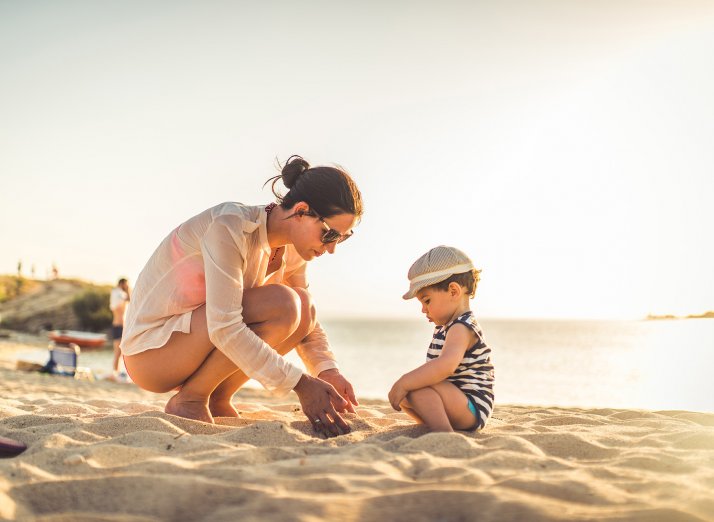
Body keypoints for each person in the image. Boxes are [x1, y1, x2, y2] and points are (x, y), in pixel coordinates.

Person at [121, 155, 362, 437]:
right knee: (284, 304)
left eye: (342, 238)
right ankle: (190, 399)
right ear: (301, 211)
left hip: (193, 343)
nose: (331, 248)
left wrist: (326, 370)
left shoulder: (295, 248)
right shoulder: (230, 225)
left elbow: (307, 321)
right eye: (329, 235)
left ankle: (216, 397)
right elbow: (225, 326)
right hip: (151, 354)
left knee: (303, 306)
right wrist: (301, 384)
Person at [388, 246, 495, 432]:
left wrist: (405, 381)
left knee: (418, 386)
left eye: (427, 300)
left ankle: (443, 432)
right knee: (409, 394)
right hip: (456, 403)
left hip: (472, 407)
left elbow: (446, 366)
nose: (423, 309)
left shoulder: (462, 327)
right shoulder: (447, 327)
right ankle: (435, 424)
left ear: (453, 291)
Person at [109, 278, 130, 380]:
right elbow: (127, 300)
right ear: (122, 284)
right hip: (118, 326)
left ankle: (117, 372)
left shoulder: (117, 294)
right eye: (126, 284)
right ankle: (115, 373)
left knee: (120, 353)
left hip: (121, 326)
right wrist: (127, 291)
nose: (127, 286)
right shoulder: (120, 294)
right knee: (118, 352)